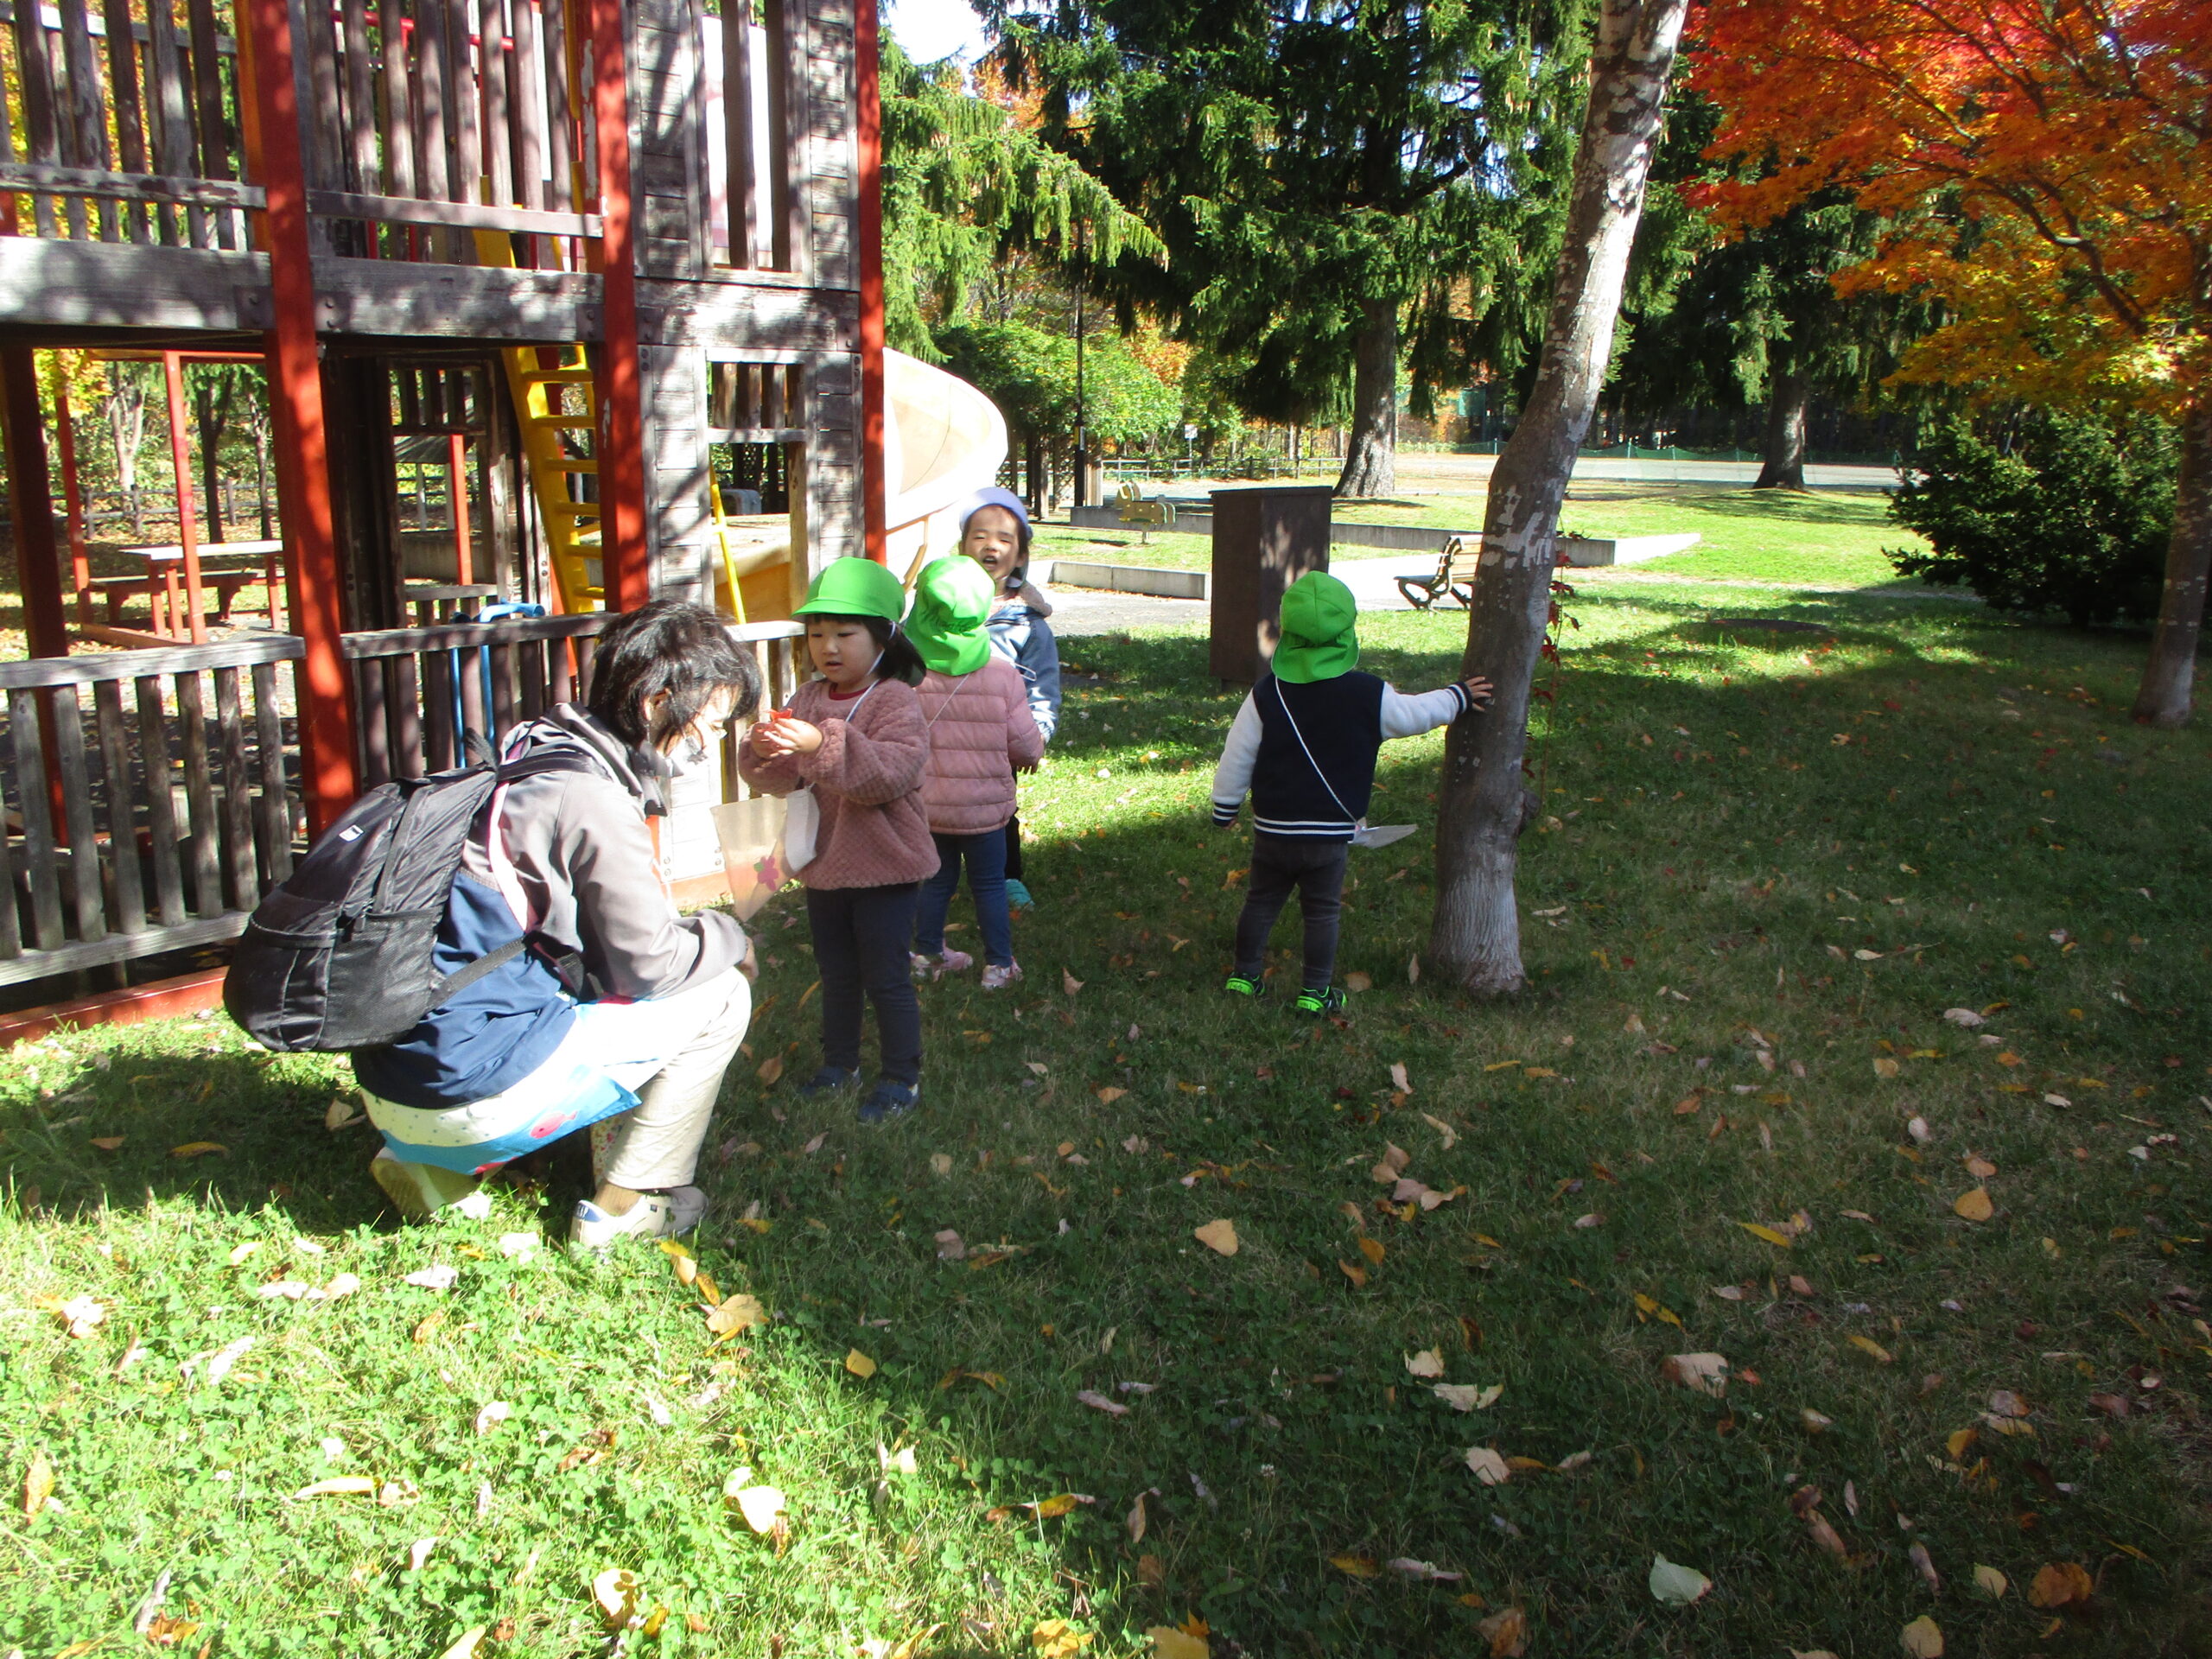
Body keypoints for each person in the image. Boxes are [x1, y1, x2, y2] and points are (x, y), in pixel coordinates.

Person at [353, 600, 762, 1247]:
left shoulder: (530, 748)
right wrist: (729, 937)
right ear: (658, 704)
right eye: (708, 728)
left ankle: (429, 1165)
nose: (709, 749)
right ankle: (627, 1204)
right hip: (472, 1093)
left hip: (392, 1084)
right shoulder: (591, 796)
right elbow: (646, 967)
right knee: (720, 993)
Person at [1209, 570, 1493, 1014]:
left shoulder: (1267, 693)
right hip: (1329, 836)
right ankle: (1315, 991)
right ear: (1347, 634)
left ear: (1288, 634)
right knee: (1322, 911)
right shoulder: (1369, 694)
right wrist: (1457, 697)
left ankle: (1245, 977)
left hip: (1274, 831)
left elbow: (1237, 755)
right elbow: (1417, 713)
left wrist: (1225, 807)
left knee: (1261, 901)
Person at [739, 558, 938, 1122]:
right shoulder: (806, 697)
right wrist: (764, 749)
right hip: (822, 865)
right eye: (816, 633)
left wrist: (818, 743)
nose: (828, 646)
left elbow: (886, 777)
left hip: (886, 869)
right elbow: (779, 781)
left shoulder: (893, 700)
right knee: (837, 973)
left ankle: (901, 1075)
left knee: (886, 975)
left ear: (883, 637)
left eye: (845, 634)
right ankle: (840, 1064)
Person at [906, 556, 1045, 990]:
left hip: (927, 805)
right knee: (988, 884)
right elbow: (1025, 744)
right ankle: (999, 965)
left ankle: (928, 954)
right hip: (985, 809)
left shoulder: (906, 677)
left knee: (936, 880)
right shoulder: (1002, 675)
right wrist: (1031, 754)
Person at [955, 487, 1061, 910]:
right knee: (932, 806)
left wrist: (1035, 733)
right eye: (979, 536)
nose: (990, 545)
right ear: (962, 547)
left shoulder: (1027, 625)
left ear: (1019, 556)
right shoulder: (933, 609)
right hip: (940, 731)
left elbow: (1043, 686)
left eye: (1003, 538)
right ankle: (932, 873)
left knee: (999, 809)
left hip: (997, 739)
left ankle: (1005, 876)